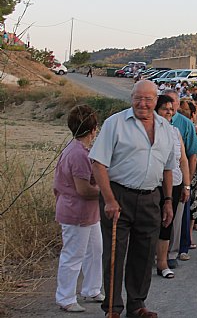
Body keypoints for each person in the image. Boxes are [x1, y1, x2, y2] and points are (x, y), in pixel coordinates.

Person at [89, 80, 175, 317]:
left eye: (148, 99)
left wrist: (167, 200)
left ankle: (136, 305)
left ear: (156, 101)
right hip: (118, 196)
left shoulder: (166, 129)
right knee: (115, 254)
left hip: (150, 198)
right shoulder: (115, 123)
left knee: (145, 254)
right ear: (131, 98)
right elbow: (98, 163)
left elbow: (168, 169)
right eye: (138, 97)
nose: (143, 104)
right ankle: (113, 308)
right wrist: (109, 199)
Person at [54, 105, 103, 313]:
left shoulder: (77, 149)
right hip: (77, 211)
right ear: (93, 129)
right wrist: (106, 190)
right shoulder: (78, 154)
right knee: (73, 254)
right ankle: (65, 297)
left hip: (88, 213)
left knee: (95, 250)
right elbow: (84, 190)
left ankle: (91, 288)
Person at [154, 95, 189, 279]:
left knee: (167, 222)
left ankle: (163, 263)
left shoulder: (175, 132)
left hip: (174, 182)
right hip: (154, 182)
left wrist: (187, 185)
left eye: (170, 108)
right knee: (151, 222)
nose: (168, 111)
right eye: (164, 108)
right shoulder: (150, 130)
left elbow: (182, 159)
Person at [164, 90, 197, 264]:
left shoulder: (184, 125)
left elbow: (190, 155)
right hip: (160, 180)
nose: (169, 108)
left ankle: (175, 251)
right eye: (166, 103)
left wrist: (188, 182)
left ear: (178, 104)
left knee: (179, 218)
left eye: (173, 102)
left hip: (179, 178)